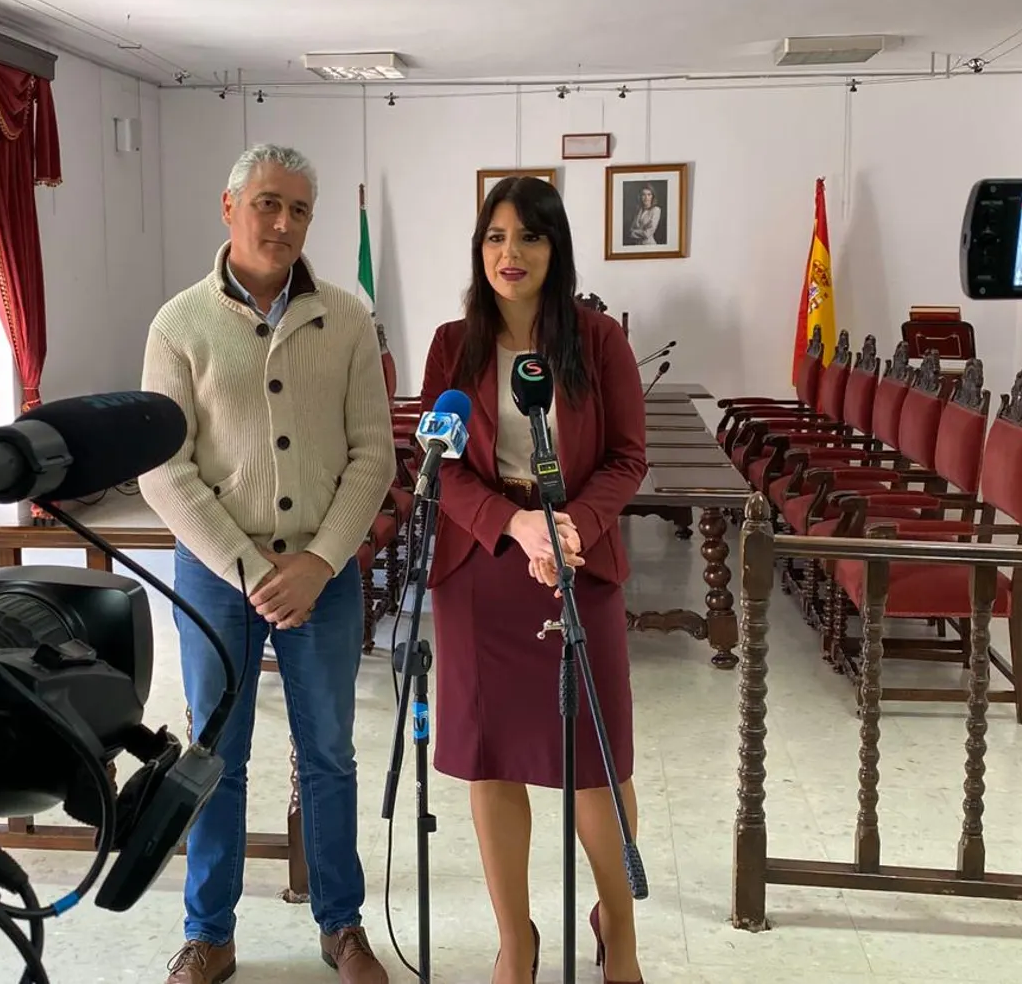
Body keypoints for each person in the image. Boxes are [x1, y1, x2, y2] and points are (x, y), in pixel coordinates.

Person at [141, 143, 396, 984]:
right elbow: (164, 469)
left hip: (323, 577)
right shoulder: (180, 324)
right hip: (219, 577)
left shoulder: (349, 318)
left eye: (298, 210)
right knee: (214, 754)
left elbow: (374, 456)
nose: (283, 223)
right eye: (267, 204)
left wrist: (323, 560)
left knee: (329, 752)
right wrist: (249, 568)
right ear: (229, 206)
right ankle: (209, 930)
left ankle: (343, 924)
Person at [418, 175, 648, 984]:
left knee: (596, 762)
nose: (509, 254)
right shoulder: (453, 344)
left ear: (557, 248)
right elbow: (437, 467)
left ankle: (617, 925)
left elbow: (627, 458)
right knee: (492, 760)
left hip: (578, 563)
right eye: (494, 237)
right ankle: (515, 937)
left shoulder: (599, 341)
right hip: (483, 568)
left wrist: (571, 524)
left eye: (529, 237)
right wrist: (512, 523)